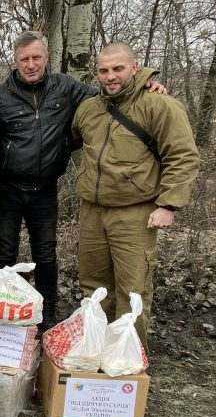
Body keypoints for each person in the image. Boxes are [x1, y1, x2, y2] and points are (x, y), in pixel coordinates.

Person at [0, 31, 166, 331]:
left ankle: (46, 315)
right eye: (24, 59)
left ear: (46, 58)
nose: (30, 64)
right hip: (8, 188)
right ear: (15, 62)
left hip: (45, 189)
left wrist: (145, 84)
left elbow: (110, 94)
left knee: (46, 254)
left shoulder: (66, 88)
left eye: (36, 58)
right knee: (5, 253)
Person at [72, 42, 199, 346]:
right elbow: (73, 141)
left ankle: (125, 364)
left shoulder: (159, 105)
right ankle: (93, 353)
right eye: (103, 70)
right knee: (93, 289)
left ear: (134, 67)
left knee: (133, 292)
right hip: (93, 210)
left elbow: (183, 156)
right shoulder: (89, 109)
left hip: (135, 213)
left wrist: (168, 204)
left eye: (117, 68)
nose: (110, 76)